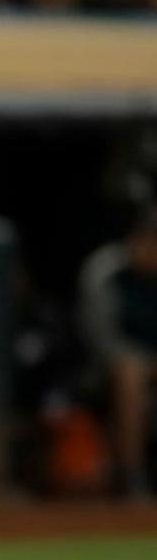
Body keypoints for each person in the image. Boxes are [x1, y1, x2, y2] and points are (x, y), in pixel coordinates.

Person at [80, 204, 157, 499]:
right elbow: (99, 335)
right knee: (130, 374)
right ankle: (132, 475)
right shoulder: (109, 270)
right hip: (110, 366)